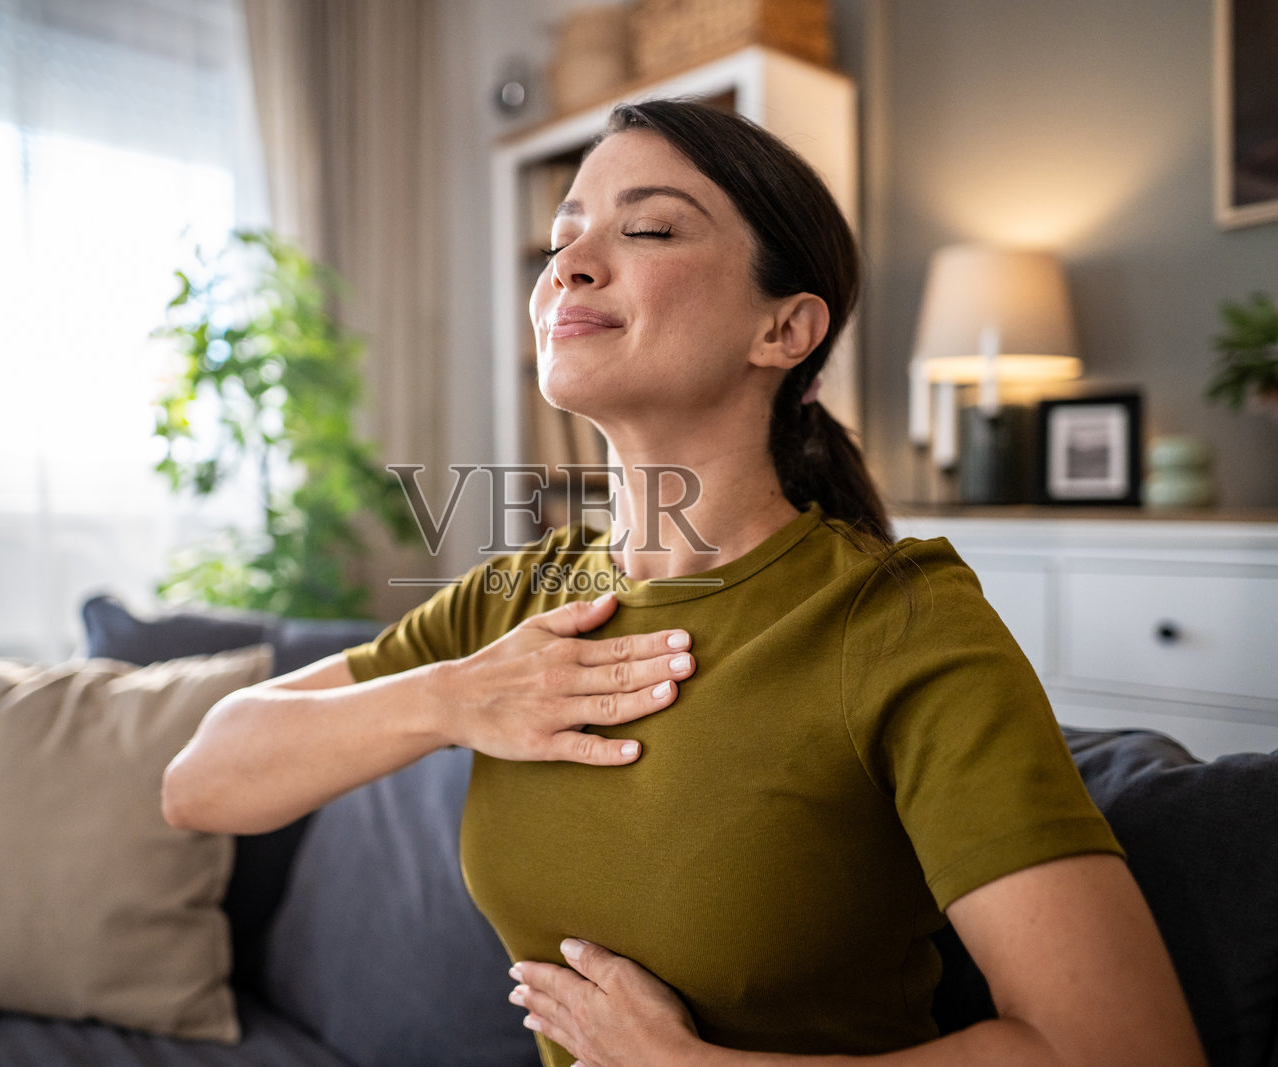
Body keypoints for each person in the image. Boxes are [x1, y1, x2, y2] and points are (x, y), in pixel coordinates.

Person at [163, 99, 1206, 1067]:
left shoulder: (895, 621)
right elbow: (202, 780)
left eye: (647, 230)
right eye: (565, 230)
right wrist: (451, 697)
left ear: (784, 330)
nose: (569, 261)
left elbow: (1126, 1045)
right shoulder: (510, 604)